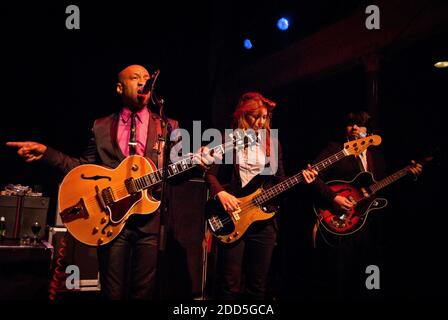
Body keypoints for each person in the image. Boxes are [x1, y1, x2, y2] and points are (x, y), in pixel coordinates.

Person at [7, 64, 213, 300]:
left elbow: (173, 175)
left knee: (144, 294)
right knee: (112, 293)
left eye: (146, 78)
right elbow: (83, 168)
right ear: (119, 87)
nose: (142, 82)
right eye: (135, 78)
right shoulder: (101, 126)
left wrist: (196, 163)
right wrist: (47, 154)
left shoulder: (167, 125)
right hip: (110, 221)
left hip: (150, 223)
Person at [205, 92, 317, 300]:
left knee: (258, 287)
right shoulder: (227, 140)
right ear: (242, 116)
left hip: (264, 219)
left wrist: (302, 179)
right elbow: (210, 174)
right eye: (255, 116)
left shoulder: (272, 144)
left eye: (265, 117)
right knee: (230, 286)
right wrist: (221, 193)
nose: (260, 122)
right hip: (233, 216)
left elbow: (280, 180)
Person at [310, 110, 423, 300]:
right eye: (350, 123)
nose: (354, 127)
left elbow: (385, 189)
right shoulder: (336, 149)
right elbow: (313, 177)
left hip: (371, 227)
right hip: (343, 225)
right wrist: (333, 198)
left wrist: (409, 175)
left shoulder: (376, 157)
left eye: (359, 124)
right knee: (342, 280)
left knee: (371, 278)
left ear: (368, 132)